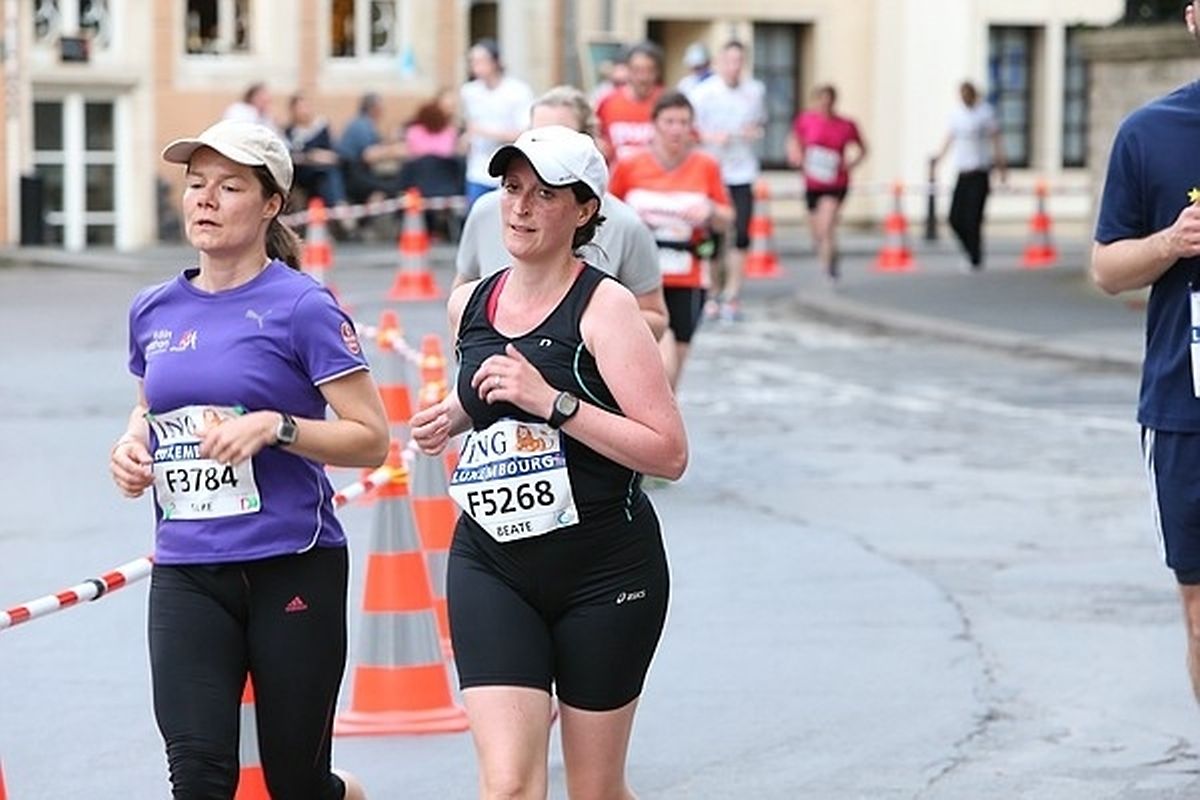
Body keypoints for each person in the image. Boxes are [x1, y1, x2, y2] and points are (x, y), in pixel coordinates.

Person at [108, 119, 387, 799]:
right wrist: (129, 447)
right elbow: (150, 406)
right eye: (196, 184)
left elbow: (371, 438)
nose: (205, 199)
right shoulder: (154, 309)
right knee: (198, 776)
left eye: (229, 187)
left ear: (270, 205)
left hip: (290, 562)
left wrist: (277, 427)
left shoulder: (303, 307)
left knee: (296, 783)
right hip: (186, 567)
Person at [409, 124, 687, 799]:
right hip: (492, 563)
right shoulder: (469, 303)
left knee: (594, 790)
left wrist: (554, 403)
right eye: (511, 189)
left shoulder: (606, 307)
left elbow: (669, 451)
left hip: (604, 571)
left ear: (585, 209)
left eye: (544, 194)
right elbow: (491, 397)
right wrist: (451, 415)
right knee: (508, 785)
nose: (521, 207)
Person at [1091, 0, 1200, 710]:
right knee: (1199, 611)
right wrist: (1171, 242)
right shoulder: (1149, 132)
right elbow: (1107, 269)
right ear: (1192, 18)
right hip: (1187, 410)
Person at [454, 85, 668, 340]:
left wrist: (580, 338)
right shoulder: (486, 211)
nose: (521, 208)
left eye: (561, 137)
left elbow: (654, 317)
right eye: (536, 136)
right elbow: (463, 299)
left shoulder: (626, 225)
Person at [609, 91, 733, 389]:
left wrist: (710, 210)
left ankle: (660, 415)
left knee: (673, 371)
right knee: (655, 365)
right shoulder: (630, 165)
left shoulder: (706, 166)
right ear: (655, 125)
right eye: (669, 121)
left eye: (683, 122)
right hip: (637, 277)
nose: (677, 129)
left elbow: (728, 217)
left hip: (686, 275)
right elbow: (607, 213)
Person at [689, 40, 766, 321]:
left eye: (739, 61)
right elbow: (690, 131)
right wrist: (710, 137)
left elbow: (761, 123)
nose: (734, 67)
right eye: (729, 61)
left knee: (742, 232)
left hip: (742, 171)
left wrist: (753, 131)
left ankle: (732, 294)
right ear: (719, 63)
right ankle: (711, 291)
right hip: (712, 170)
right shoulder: (703, 93)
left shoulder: (754, 91)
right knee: (712, 235)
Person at [786, 84, 867, 284]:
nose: (825, 105)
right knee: (817, 231)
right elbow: (794, 139)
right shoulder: (806, 120)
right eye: (821, 101)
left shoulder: (846, 125)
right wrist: (795, 155)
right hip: (813, 182)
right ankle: (832, 256)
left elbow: (863, 148)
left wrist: (851, 164)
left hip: (835, 182)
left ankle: (826, 271)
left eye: (829, 101)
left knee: (826, 224)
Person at [930, 80, 1007, 272]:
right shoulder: (957, 115)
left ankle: (975, 257)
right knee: (955, 218)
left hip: (979, 172)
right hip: (963, 172)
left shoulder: (985, 113)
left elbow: (996, 140)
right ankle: (970, 251)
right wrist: (938, 160)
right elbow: (949, 138)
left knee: (973, 218)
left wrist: (1001, 167)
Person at [460, 38, 535, 208]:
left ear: (495, 61)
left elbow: (525, 132)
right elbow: (469, 126)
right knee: (477, 214)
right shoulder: (469, 92)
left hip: (508, 168)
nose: (476, 66)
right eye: (472, 61)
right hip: (477, 169)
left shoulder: (517, 91)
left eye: (481, 60)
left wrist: (485, 132)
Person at [284, 92, 353, 226]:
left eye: (306, 106)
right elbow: (293, 155)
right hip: (304, 173)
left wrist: (325, 156)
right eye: (300, 107)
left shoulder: (321, 127)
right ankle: (338, 208)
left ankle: (339, 209)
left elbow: (332, 150)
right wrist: (311, 156)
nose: (305, 111)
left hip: (325, 169)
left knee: (330, 173)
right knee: (326, 175)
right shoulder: (290, 133)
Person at [596, 40, 665, 163]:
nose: (643, 77)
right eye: (637, 70)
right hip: (618, 172)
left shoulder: (668, 102)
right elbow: (594, 136)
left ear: (657, 72)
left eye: (649, 70)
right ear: (627, 70)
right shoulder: (607, 102)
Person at [337, 92, 407, 205]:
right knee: (395, 185)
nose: (383, 112)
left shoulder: (364, 124)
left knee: (390, 182)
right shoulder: (361, 124)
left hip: (357, 173)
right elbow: (368, 155)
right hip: (353, 175)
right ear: (374, 109)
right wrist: (393, 150)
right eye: (381, 108)